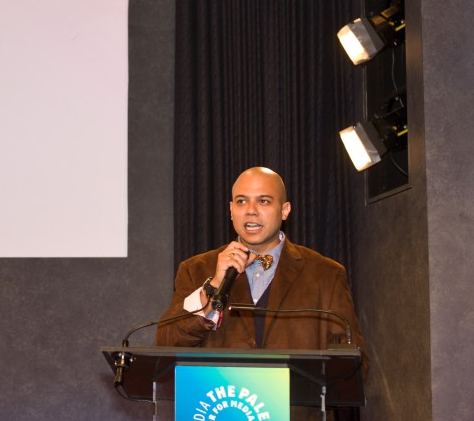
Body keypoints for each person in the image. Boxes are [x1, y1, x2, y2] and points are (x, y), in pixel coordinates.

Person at [155, 167, 368, 420]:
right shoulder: (195, 270)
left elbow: (353, 366)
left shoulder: (326, 274)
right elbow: (166, 344)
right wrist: (213, 287)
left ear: (285, 210)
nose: (251, 210)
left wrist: (291, 392)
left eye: (264, 201)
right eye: (241, 201)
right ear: (231, 210)